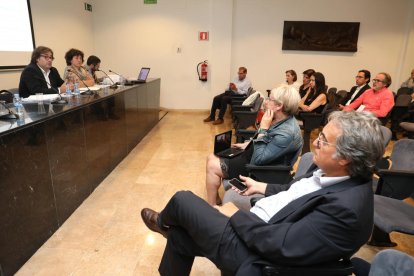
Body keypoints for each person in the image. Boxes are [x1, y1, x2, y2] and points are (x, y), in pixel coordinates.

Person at [141, 110, 385, 275]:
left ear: (344, 157)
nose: (315, 143)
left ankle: (163, 222)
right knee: (180, 236)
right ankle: (169, 229)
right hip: (257, 228)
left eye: (322, 140)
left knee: (183, 200)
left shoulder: (347, 208)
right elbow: (296, 191)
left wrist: (234, 215)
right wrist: (262, 187)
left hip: (255, 253)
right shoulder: (330, 171)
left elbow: (280, 245)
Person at [205, 85, 303, 205]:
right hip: (255, 155)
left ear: (279, 106)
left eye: (269, 99)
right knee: (212, 156)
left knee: (212, 165)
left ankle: (211, 207)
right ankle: (215, 199)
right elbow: (269, 144)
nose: (265, 101)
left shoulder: (286, 133)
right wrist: (249, 144)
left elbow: (258, 159)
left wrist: (263, 128)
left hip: (259, 169)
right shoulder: (281, 119)